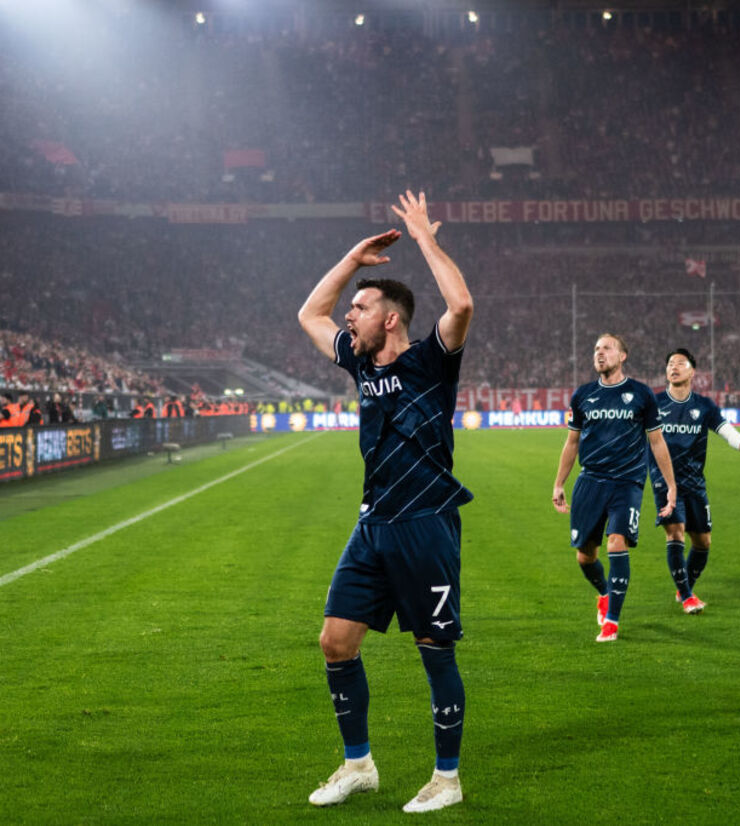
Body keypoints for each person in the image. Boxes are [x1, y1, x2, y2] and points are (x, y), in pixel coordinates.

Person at [296, 191, 473, 813]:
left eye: (362, 307)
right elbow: (310, 313)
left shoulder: (431, 362)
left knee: (434, 650)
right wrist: (353, 260)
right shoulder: (361, 365)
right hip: (372, 524)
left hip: (425, 522)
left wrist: (424, 238)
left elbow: (461, 305)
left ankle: (446, 779)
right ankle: (358, 765)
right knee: (335, 642)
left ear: (391, 320)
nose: (349, 315)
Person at [552, 334, 676, 643]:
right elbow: (572, 442)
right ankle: (605, 593)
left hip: (627, 483)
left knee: (616, 542)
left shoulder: (641, 394)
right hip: (590, 481)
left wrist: (671, 485)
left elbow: (657, 442)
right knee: (585, 556)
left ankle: (612, 622)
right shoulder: (583, 395)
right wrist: (559, 483)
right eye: (596, 348)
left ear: (622, 356)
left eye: (606, 348)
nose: (599, 353)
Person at [649, 348, 740, 613]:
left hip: (694, 482)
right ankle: (687, 597)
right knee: (675, 532)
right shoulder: (654, 404)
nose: (674, 367)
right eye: (670, 363)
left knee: (703, 542)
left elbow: (727, 432)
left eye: (680, 363)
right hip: (664, 481)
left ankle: (684, 586)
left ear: (692, 371)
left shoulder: (704, 406)